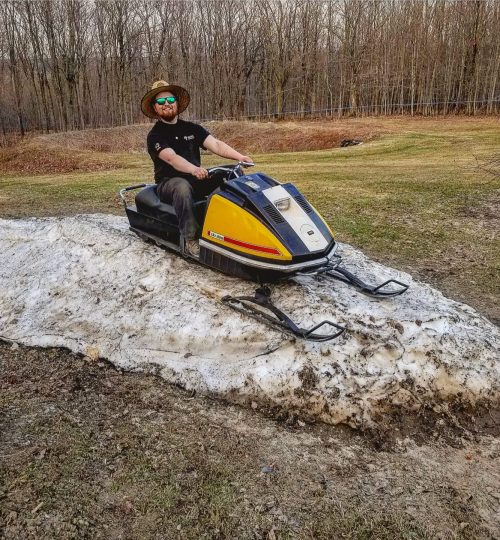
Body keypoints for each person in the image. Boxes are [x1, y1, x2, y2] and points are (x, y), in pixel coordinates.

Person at [141, 80, 252, 258]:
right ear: (155, 108)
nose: (166, 104)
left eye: (170, 99)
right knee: (182, 187)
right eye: (161, 102)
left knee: (232, 173)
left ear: (177, 103)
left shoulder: (191, 128)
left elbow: (215, 144)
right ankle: (190, 240)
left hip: (196, 178)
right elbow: (172, 158)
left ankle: (238, 227)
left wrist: (239, 157)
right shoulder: (155, 135)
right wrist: (193, 169)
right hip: (170, 183)